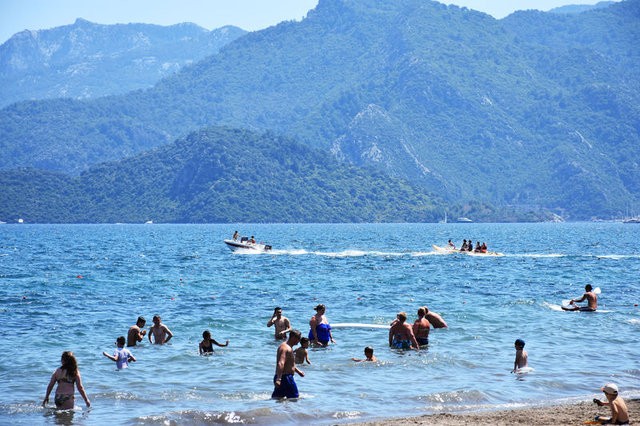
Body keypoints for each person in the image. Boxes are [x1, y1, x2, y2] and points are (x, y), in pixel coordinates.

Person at [272, 329, 305, 399]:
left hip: (283, 377)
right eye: (298, 338)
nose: (299, 341)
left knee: (277, 398)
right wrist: (279, 379)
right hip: (285, 378)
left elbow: (290, 364)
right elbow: (281, 363)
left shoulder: (288, 347)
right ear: (293, 338)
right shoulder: (285, 348)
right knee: (294, 398)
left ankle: (277, 410)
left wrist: (298, 372)